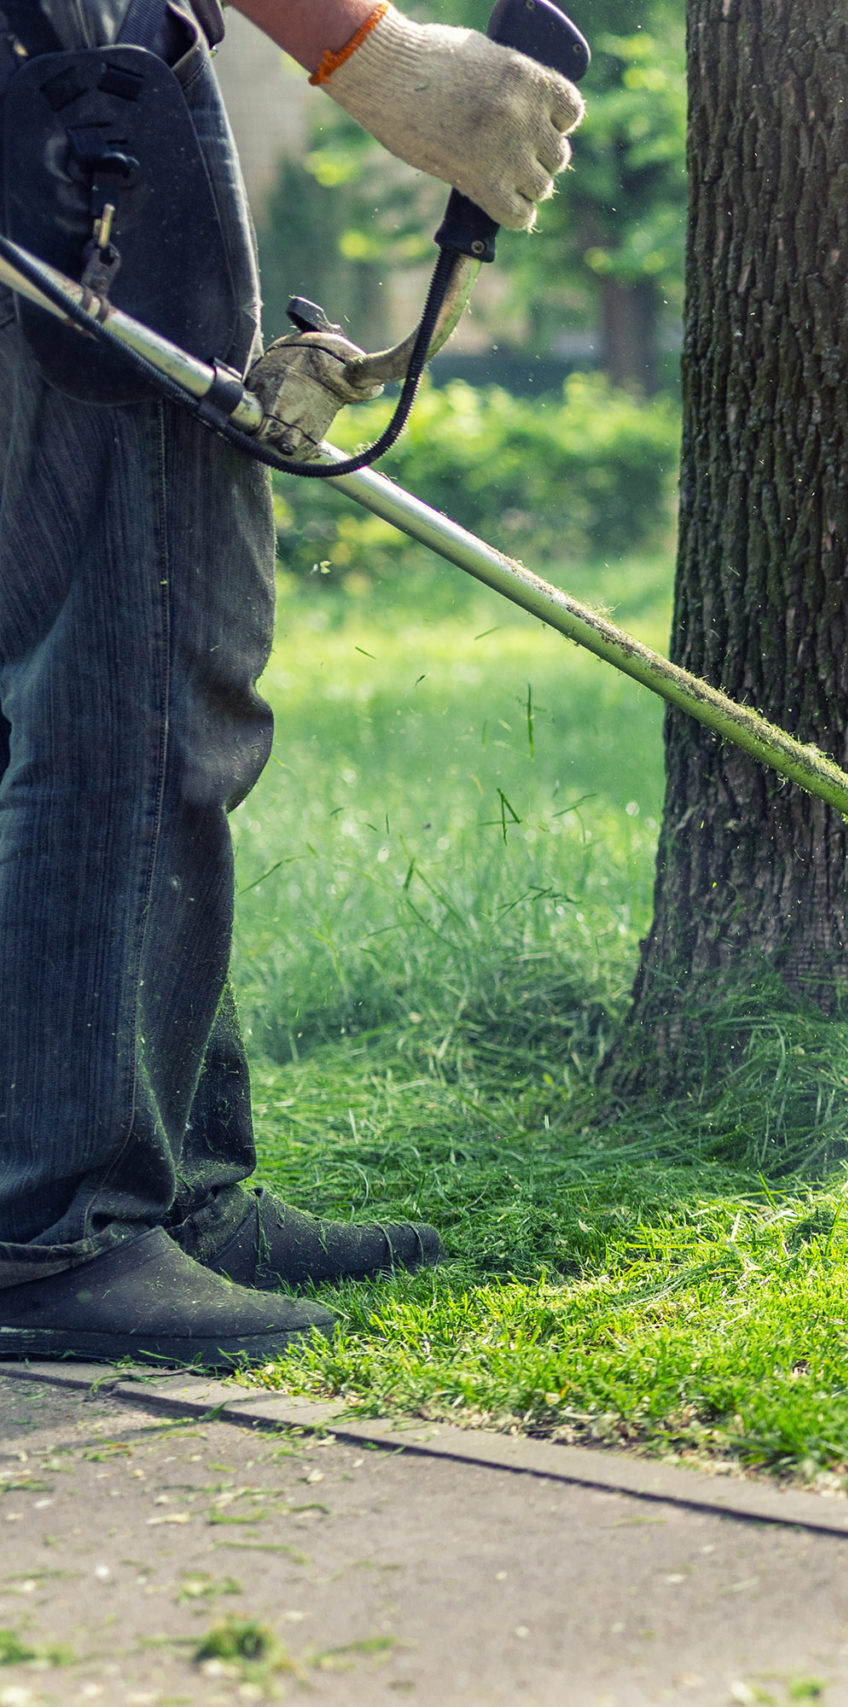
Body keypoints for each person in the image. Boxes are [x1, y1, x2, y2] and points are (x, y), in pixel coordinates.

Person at [0, 0, 581, 1367]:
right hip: (63, 77)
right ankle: (64, 1222)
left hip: (103, 64)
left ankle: (169, 1183)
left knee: (141, 626)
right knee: (127, 642)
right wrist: (366, 46)